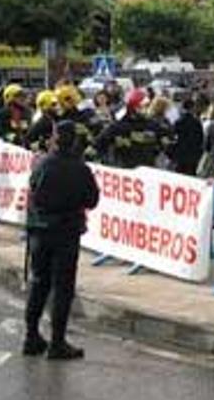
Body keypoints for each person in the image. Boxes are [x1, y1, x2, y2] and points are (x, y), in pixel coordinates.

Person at [24, 120, 100, 360]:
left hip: (40, 230)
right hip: (66, 232)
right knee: (62, 287)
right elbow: (92, 200)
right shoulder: (80, 168)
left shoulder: (43, 163)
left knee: (39, 283)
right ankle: (57, 342)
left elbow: (33, 188)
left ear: (55, 138)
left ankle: (31, 336)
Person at [94, 88, 172, 169]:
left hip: (147, 171)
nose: (146, 109)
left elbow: (168, 144)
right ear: (133, 107)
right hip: (124, 171)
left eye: (147, 106)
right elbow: (98, 143)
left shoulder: (153, 125)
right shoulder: (118, 126)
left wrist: (158, 149)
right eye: (142, 106)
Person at [171, 98, 204, 176]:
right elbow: (200, 139)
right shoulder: (196, 122)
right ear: (192, 108)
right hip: (192, 154)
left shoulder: (178, 121)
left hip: (180, 153)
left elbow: (174, 136)